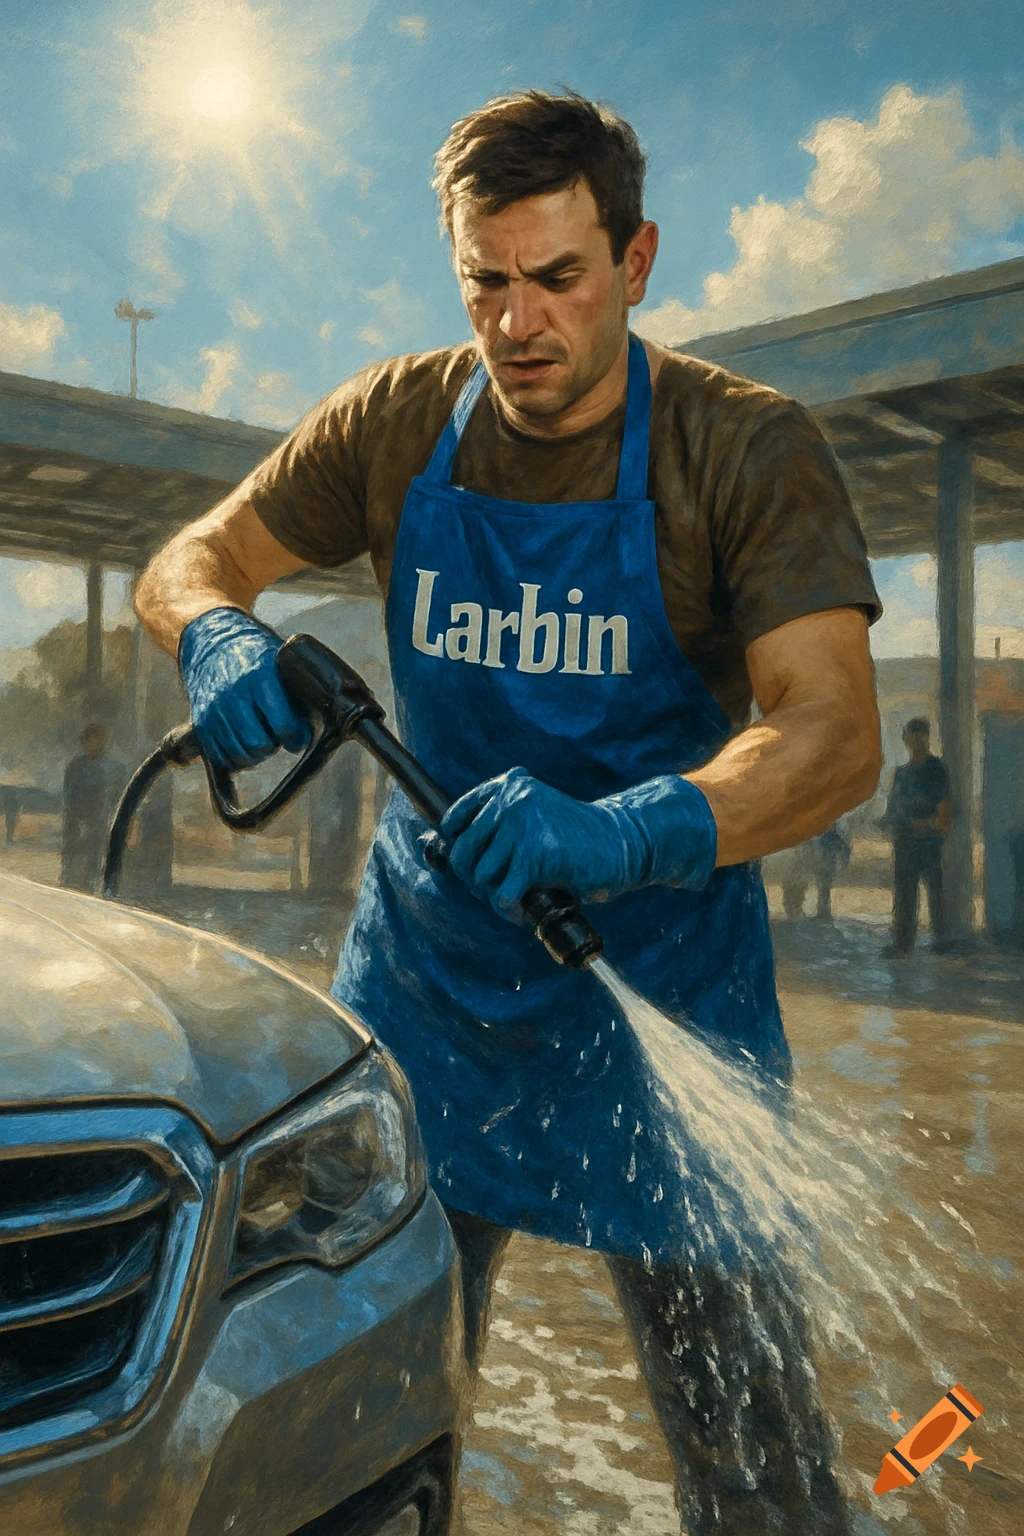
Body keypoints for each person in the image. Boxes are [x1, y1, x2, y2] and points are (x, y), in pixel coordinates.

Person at [135, 91, 882, 1533]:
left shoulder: (741, 450)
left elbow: (832, 730)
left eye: (559, 278)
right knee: (352, 1432)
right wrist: (214, 632)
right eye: (486, 279)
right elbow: (195, 556)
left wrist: (624, 830)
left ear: (638, 260)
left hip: (661, 1000)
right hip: (428, 1000)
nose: (517, 323)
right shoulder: (399, 421)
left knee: (762, 1470)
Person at [880, 717, 952, 956]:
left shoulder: (936, 769)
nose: (917, 740)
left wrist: (929, 824)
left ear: (927, 738)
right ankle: (903, 943)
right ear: (906, 740)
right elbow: (893, 810)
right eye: (913, 735)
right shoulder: (901, 774)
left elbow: (944, 810)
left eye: (921, 735)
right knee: (904, 894)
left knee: (935, 892)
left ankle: (941, 939)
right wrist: (892, 822)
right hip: (905, 843)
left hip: (929, 842)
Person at [60, 723, 123, 893]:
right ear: (84, 742)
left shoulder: (112, 767)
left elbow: (114, 795)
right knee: (74, 854)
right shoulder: (75, 766)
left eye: (99, 740)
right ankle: (70, 885)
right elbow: (69, 794)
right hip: (76, 817)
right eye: (91, 740)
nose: (95, 744)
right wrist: (74, 817)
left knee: (96, 855)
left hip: (99, 819)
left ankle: (92, 886)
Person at [782, 821, 852, 922]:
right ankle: (796, 909)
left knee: (824, 889)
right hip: (812, 862)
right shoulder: (813, 832)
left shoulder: (831, 835)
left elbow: (844, 849)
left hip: (826, 865)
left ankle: (823, 912)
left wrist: (844, 863)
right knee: (802, 884)